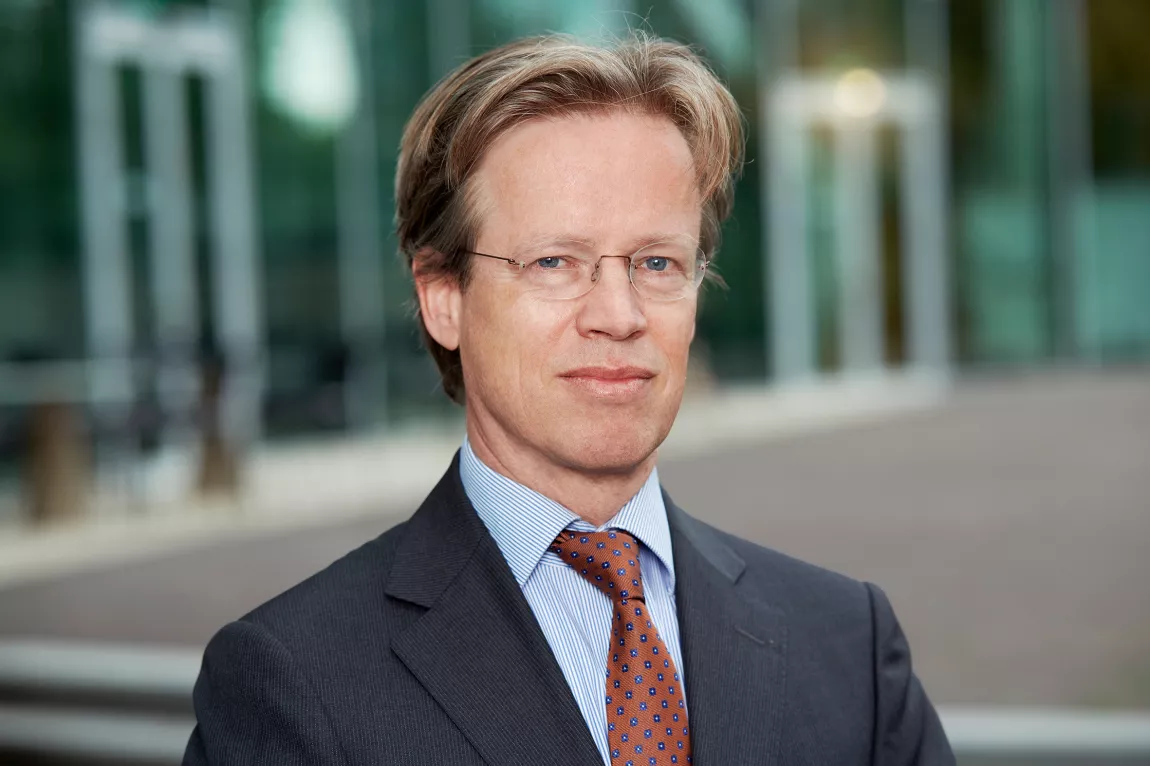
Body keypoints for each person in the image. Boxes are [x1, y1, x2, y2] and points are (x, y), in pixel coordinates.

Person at [184, 33, 954, 766]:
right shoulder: (296, 680)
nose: (618, 315)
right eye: (554, 262)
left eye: (657, 263)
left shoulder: (848, 646)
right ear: (443, 296)